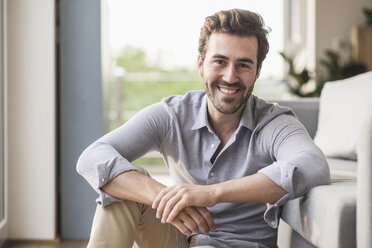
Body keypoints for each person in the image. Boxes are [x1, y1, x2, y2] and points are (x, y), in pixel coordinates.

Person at [77, 8, 330, 248]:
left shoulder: (274, 124)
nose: (230, 77)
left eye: (243, 64)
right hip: (178, 237)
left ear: (257, 71)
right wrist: (166, 197)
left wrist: (209, 194)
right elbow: (92, 157)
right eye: (220, 61)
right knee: (127, 184)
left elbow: (313, 165)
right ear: (200, 64)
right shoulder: (172, 115)